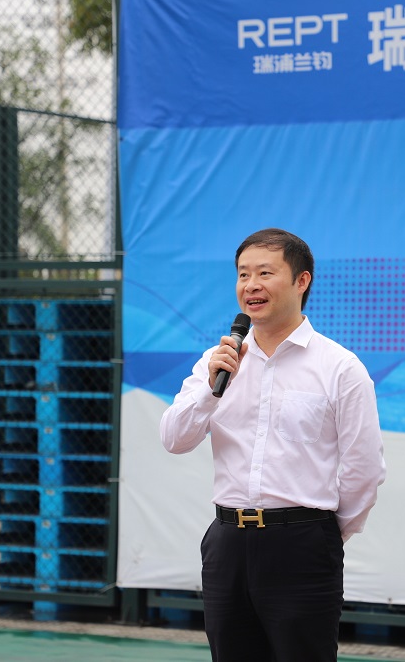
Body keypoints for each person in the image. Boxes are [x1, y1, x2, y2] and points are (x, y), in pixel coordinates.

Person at [159, 228, 386, 661]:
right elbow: (174, 439)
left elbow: (364, 469)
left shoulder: (339, 368)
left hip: (303, 544)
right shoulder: (217, 362)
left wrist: (322, 534)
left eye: (265, 273)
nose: (251, 285)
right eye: (243, 274)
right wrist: (210, 390)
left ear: (302, 281)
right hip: (227, 544)